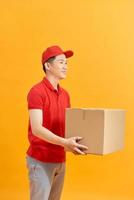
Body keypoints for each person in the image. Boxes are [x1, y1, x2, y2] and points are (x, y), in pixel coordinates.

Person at [26, 45, 88, 200]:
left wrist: (75, 144)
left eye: (66, 63)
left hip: (60, 159)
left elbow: (65, 128)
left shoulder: (65, 95)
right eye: (61, 62)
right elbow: (37, 128)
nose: (66, 66)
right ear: (48, 65)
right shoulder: (36, 92)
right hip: (40, 160)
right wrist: (65, 142)